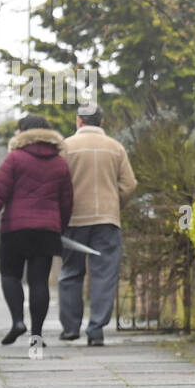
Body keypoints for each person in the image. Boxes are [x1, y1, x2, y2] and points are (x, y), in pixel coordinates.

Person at [0, 114, 73, 348]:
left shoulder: (14, 159)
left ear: (24, 132)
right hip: (46, 230)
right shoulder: (60, 163)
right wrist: (61, 227)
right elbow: (67, 201)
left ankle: (18, 321)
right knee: (39, 281)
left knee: (10, 275)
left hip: (15, 229)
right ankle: (36, 335)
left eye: (18, 130)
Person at [57, 104, 137, 346]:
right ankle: (96, 329)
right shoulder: (115, 147)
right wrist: (115, 203)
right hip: (107, 220)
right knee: (104, 274)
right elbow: (130, 184)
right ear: (101, 123)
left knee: (71, 272)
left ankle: (71, 327)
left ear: (79, 121)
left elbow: (56, 183)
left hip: (73, 220)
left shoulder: (65, 147)